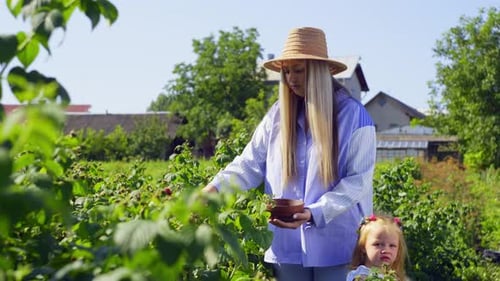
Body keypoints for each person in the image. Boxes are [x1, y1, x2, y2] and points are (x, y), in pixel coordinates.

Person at [202, 27, 376, 281]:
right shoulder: (277, 116)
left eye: (298, 70)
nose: (291, 78)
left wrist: (315, 212)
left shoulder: (354, 116)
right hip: (287, 244)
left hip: (338, 245)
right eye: (286, 70)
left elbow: (358, 180)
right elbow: (250, 164)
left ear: (319, 71)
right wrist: (214, 189)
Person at [346, 214, 409, 281]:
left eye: (392, 245)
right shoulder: (360, 276)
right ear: (363, 246)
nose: (386, 250)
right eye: (378, 244)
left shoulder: (394, 277)